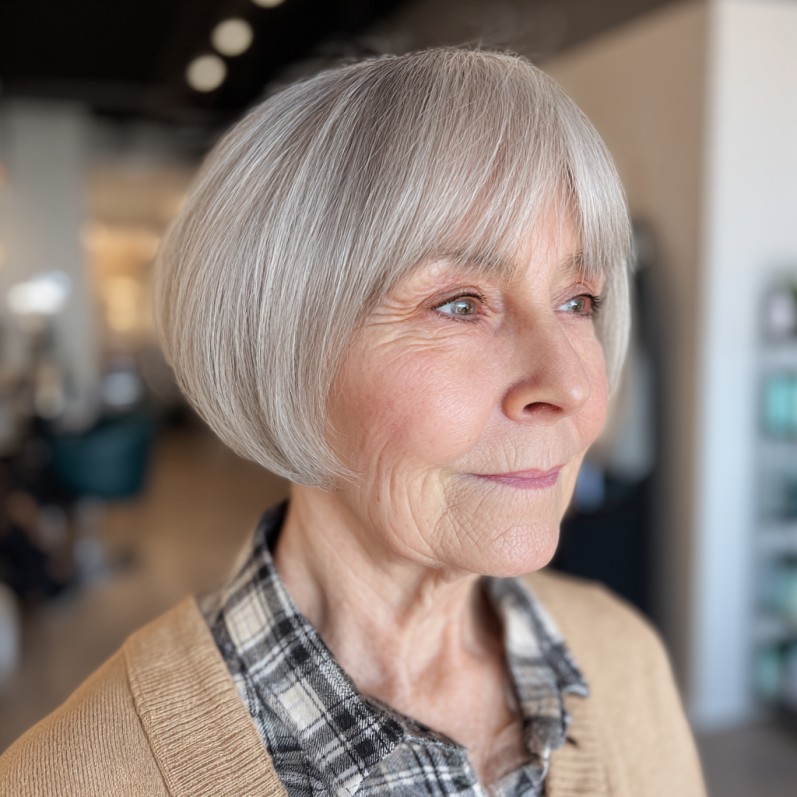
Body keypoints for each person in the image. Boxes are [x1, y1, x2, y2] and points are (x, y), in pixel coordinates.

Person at [0, 48, 706, 796]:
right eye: (459, 304)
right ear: (284, 349)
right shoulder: (69, 779)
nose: (565, 382)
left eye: (577, 302)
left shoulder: (624, 660)